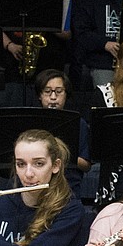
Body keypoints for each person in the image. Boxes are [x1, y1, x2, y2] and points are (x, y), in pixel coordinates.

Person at [35, 69, 91, 197]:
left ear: (66, 94)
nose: (53, 97)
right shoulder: (31, 122)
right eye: (47, 92)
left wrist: (60, 153)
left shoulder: (79, 123)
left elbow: (86, 165)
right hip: (35, 187)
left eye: (59, 92)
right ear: (40, 95)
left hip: (68, 187)